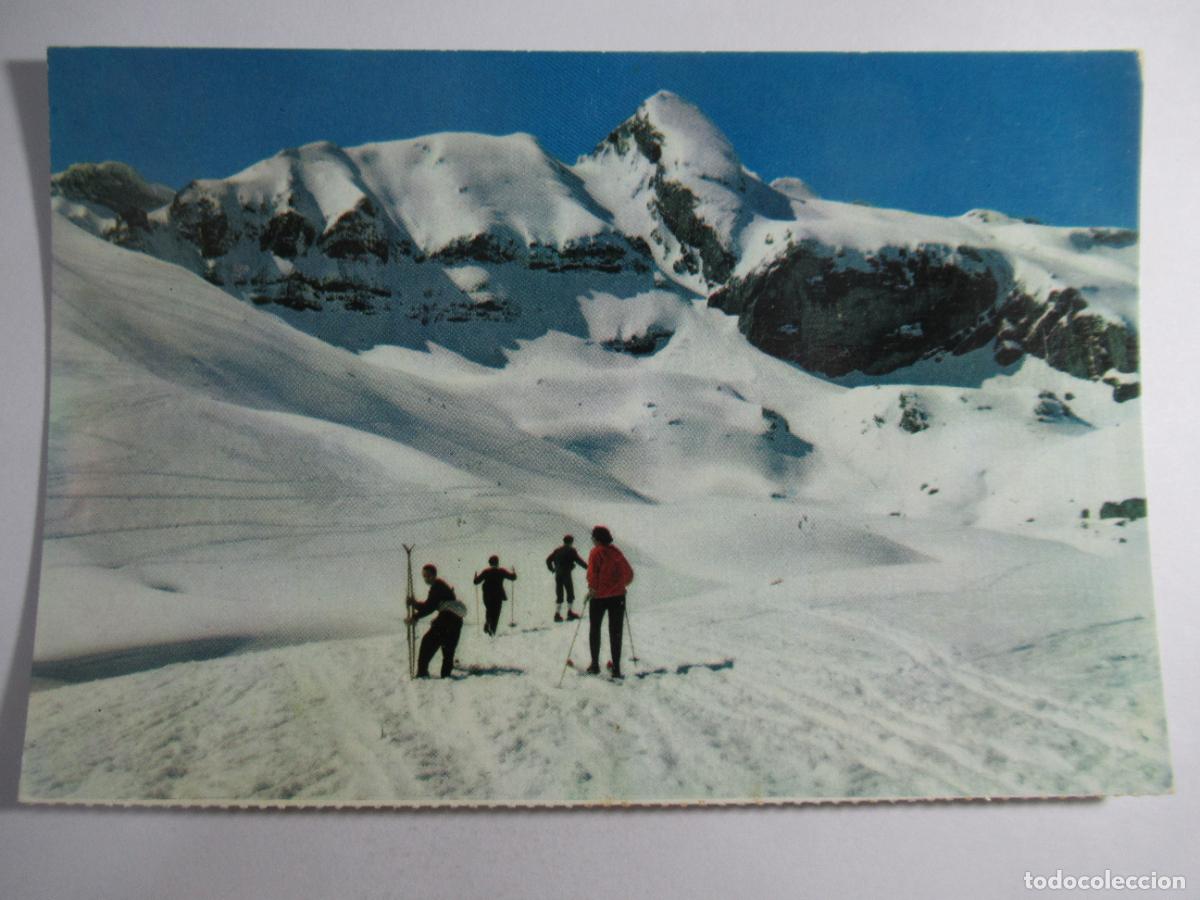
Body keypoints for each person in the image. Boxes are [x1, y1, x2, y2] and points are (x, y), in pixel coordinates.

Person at [585, 525, 634, 679]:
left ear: (597, 539)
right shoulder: (616, 552)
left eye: (593, 537)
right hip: (618, 597)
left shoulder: (596, 552)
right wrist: (619, 585)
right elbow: (629, 574)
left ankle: (594, 665)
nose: (592, 540)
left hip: (598, 598)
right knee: (616, 632)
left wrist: (592, 590)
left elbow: (592, 574)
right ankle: (616, 669)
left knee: (595, 630)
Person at [406, 563, 466, 678]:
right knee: (448, 650)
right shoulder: (440, 586)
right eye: (424, 576)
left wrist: (414, 616)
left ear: (434, 575)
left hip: (446, 620)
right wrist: (415, 605)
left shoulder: (437, 587)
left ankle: (422, 672)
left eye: (428, 576)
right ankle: (446, 677)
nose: (426, 579)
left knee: (427, 642)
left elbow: (429, 607)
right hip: (456, 621)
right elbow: (430, 605)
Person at [546, 534, 588, 622]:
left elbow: (548, 560)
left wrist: (552, 569)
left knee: (559, 593)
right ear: (571, 542)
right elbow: (578, 561)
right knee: (570, 592)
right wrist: (588, 567)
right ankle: (570, 612)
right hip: (566, 574)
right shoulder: (571, 550)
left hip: (558, 574)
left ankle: (557, 614)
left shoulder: (557, 550)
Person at [473, 555, 517, 636]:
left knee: (489, 610)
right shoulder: (501, 571)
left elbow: (476, 582)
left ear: (490, 563)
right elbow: (513, 578)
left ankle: (488, 623)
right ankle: (492, 631)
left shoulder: (486, 571)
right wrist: (514, 572)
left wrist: (475, 576)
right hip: (498, 595)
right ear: (497, 563)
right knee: (496, 614)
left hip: (487, 595)